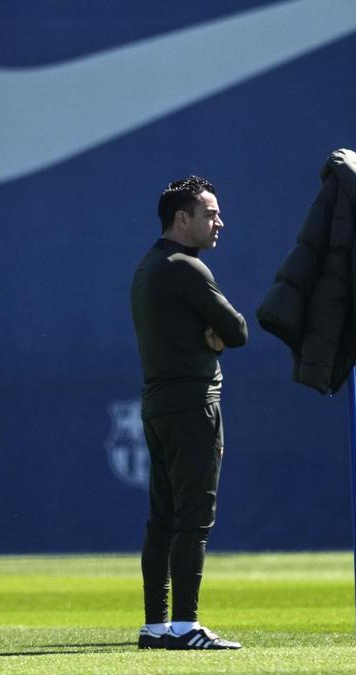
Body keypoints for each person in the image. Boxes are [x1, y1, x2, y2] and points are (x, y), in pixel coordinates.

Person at [130, 176, 248, 650]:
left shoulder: (148, 265)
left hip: (158, 405)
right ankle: (184, 625)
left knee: (163, 519)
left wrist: (210, 332)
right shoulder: (186, 267)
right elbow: (237, 331)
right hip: (192, 405)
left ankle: (156, 625)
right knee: (194, 518)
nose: (219, 222)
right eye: (210, 214)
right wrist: (213, 334)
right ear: (182, 219)